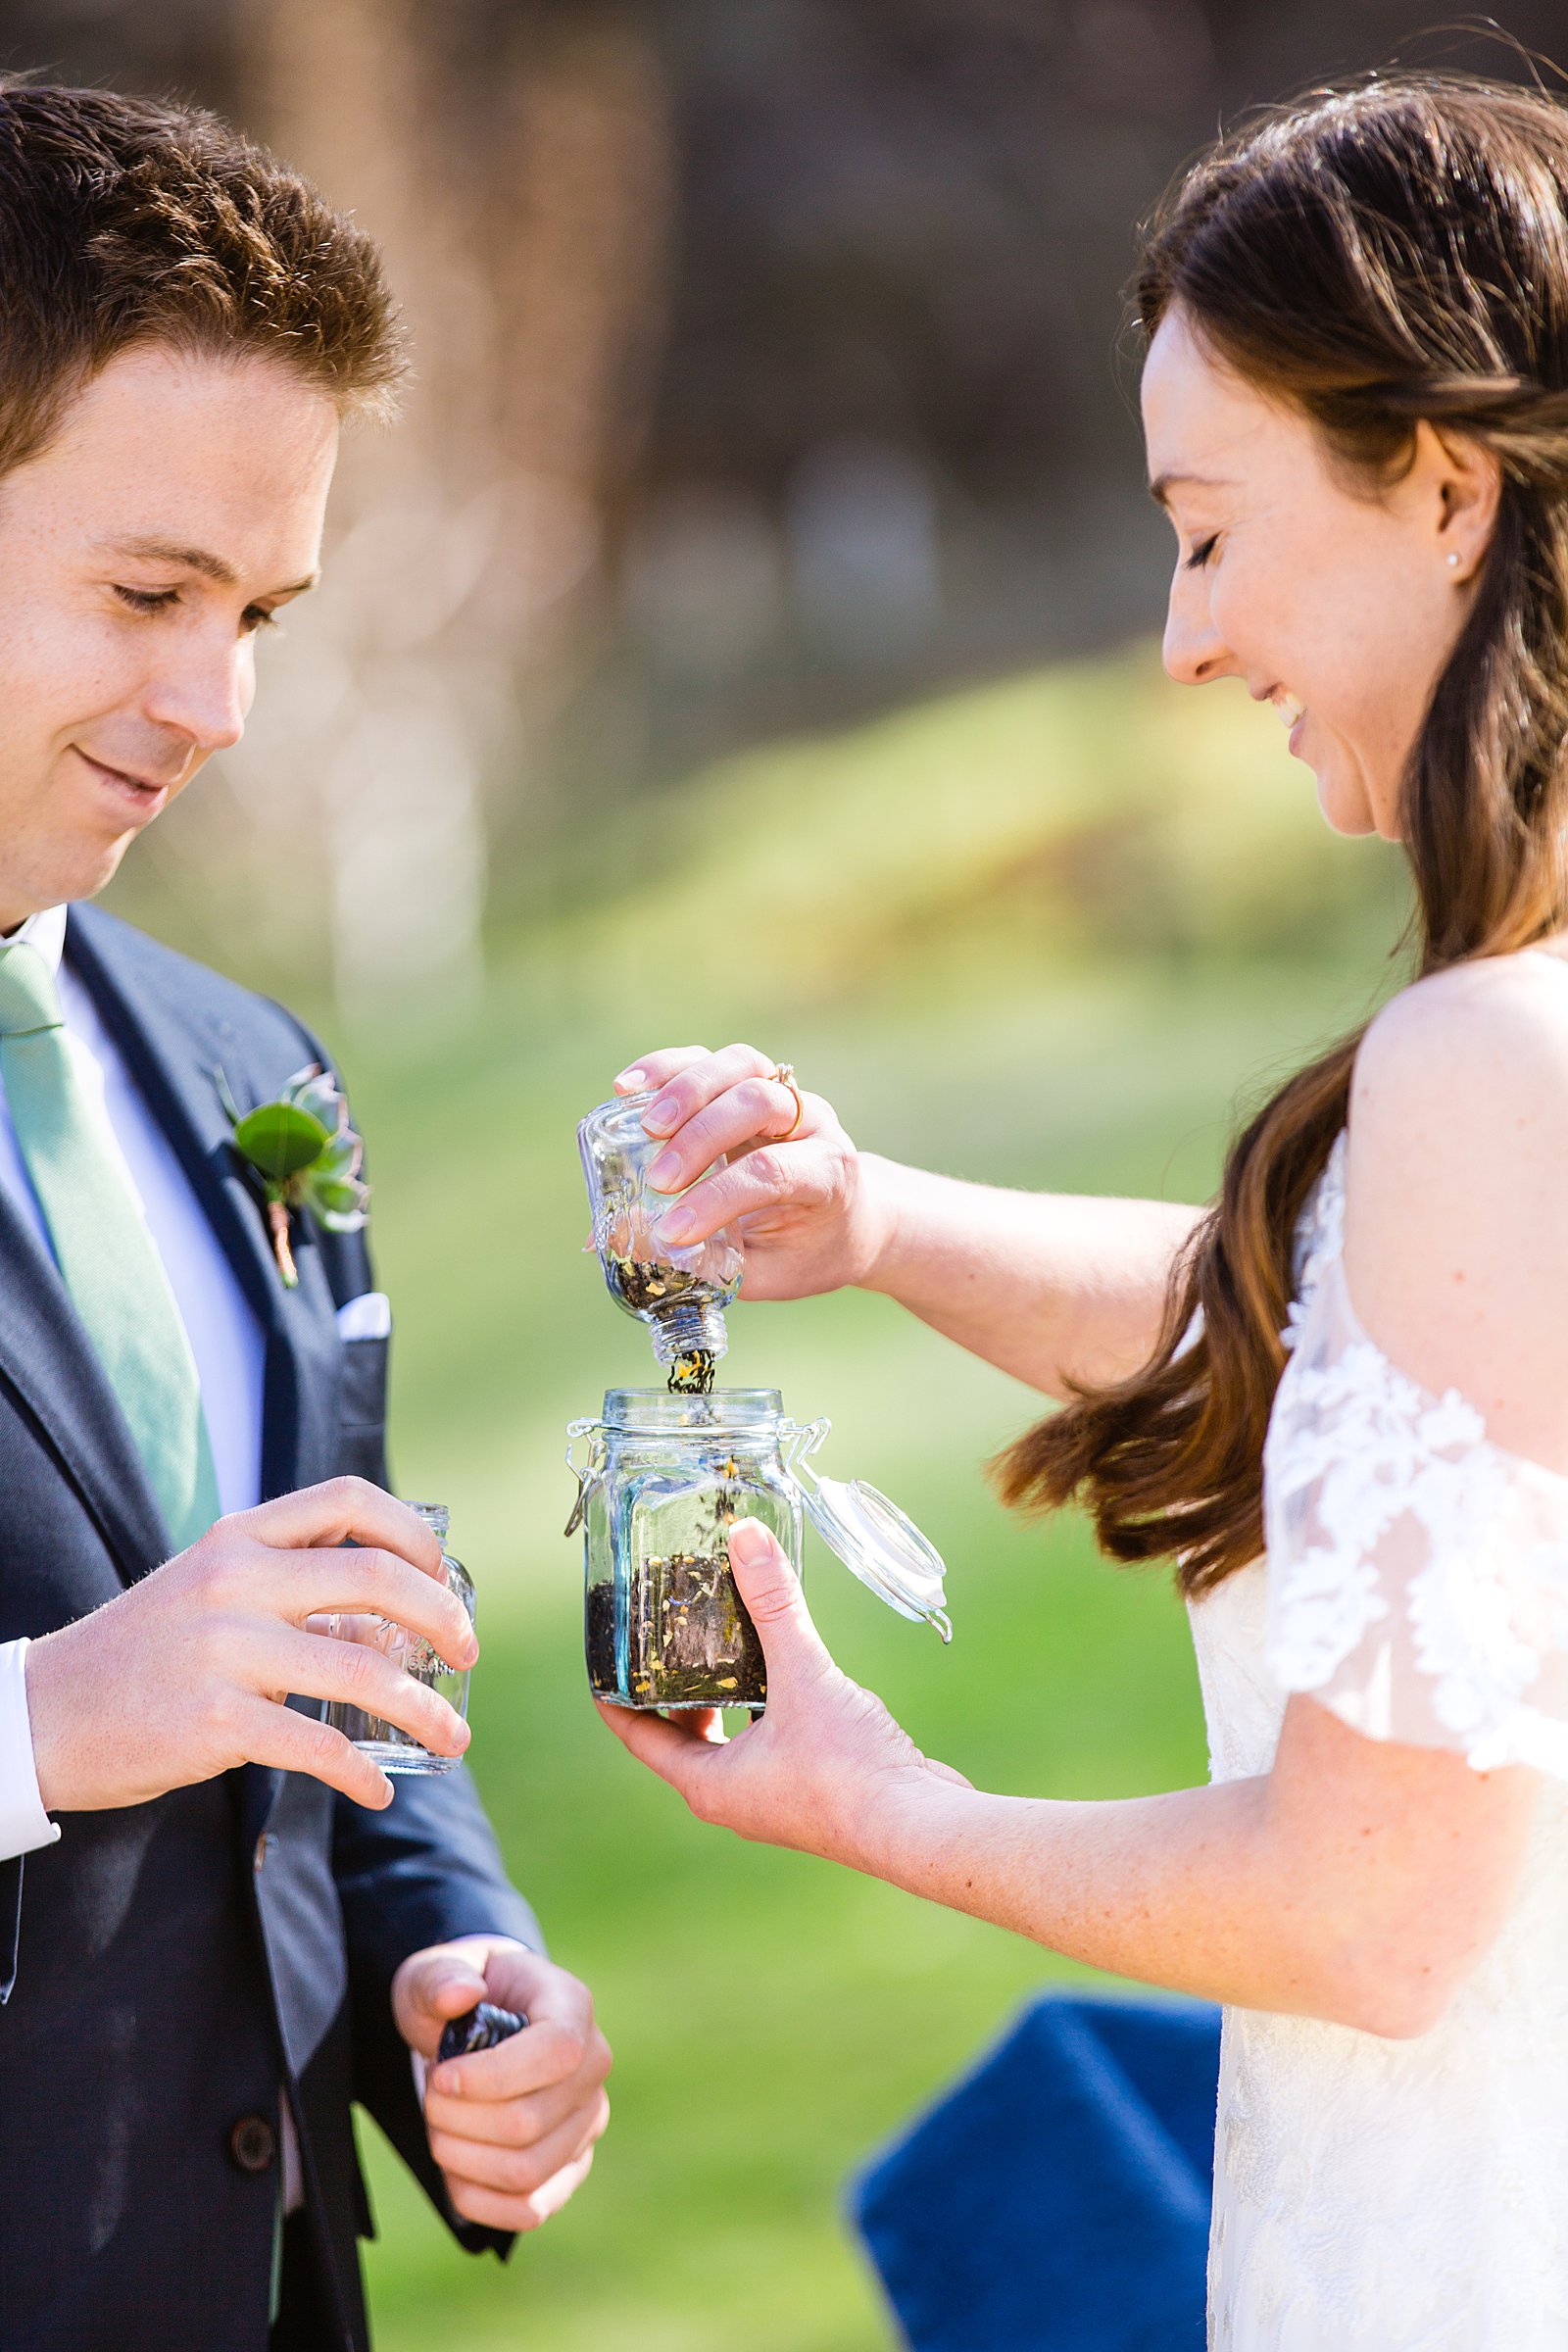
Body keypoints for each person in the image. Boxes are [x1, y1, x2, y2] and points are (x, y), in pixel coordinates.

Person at [603, 73, 1568, 2348]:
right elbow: (1413, 1372)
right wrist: (866, 1221)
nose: (1177, 637)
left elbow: (1367, 1915)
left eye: (1210, 532)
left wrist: (884, 1802)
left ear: (1436, 490)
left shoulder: (1479, 1063)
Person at [0, 84, 609, 2352]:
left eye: (258, 609)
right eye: (152, 593)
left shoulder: (251, 1071)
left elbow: (308, 1635)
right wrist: (41, 1721)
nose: (221, 703)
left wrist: (444, 1946)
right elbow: (111, 1696)